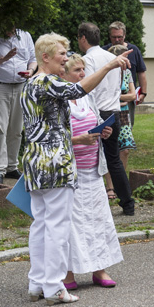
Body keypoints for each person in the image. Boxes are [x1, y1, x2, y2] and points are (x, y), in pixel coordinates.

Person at [22, 33, 129, 305]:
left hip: (35, 162)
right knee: (57, 227)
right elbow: (78, 90)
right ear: (45, 57)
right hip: (55, 162)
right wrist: (109, 65)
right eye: (61, 54)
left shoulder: (30, 83)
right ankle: (54, 287)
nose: (65, 58)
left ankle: (37, 283)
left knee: (41, 224)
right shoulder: (48, 81)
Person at [59, 54, 122, 292]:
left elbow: (94, 123)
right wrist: (79, 139)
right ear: (64, 74)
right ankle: (67, 273)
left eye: (83, 69)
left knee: (98, 220)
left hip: (93, 169)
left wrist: (103, 132)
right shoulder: (59, 99)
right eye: (77, 70)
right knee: (71, 223)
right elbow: (53, 137)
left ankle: (99, 269)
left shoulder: (87, 96)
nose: (83, 74)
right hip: (70, 172)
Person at [78, 22, 135, 216]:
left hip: (96, 112)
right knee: (113, 159)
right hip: (114, 112)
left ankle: (92, 202)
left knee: (89, 158)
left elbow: (88, 88)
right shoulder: (113, 58)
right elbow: (118, 86)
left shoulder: (88, 60)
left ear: (83, 38)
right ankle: (128, 203)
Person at [0, 28, 37, 182]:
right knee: (0, 129)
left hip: (20, 86)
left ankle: (12, 167)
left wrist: (31, 71)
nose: (10, 31)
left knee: (17, 130)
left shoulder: (25, 35)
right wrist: (3, 59)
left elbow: (33, 59)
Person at [105, 21, 147, 123]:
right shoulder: (105, 51)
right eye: (114, 37)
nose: (117, 40)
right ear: (110, 36)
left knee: (128, 124)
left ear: (124, 35)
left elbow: (141, 72)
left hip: (128, 96)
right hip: (108, 99)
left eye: (119, 37)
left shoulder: (133, 50)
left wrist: (143, 93)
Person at [108, 44, 136, 180]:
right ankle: (110, 186)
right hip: (110, 113)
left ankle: (121, 181)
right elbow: (105, 95)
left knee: (125, 150)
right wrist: (121, 99)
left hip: (124, 115)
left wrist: (118, 98)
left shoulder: (127, 73)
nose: (128, 61)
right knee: (110, 150)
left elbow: (133, 95)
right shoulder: (107, 72)